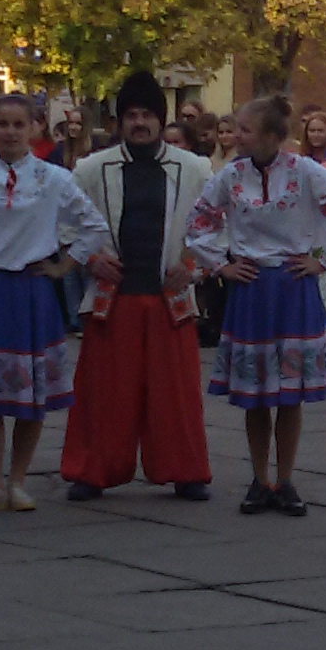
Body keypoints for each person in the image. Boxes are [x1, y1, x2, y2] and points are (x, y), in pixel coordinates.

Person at [185, 96, 326, 515]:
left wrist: (322, 261)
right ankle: (259, 478)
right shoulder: (230, 175)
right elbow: (198, 222)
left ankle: (284, 480)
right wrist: (221, 265)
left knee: (289, 394)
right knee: (255, 394)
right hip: (250, 288)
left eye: (245, 130)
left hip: (291, 286)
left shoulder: (307, 172)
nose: (237, 135)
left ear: (270, 135)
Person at [0, 93, 111, 515]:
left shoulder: (54, 178)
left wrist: (65, 265)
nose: (11, 132)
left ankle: (17, 481)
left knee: (31, 391)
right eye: (3, 124)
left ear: (35, 127)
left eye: (20, 124)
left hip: (32, 290)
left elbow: (93, 225)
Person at [62, 71, 215, 503]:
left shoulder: (196, 169)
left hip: (171, 297)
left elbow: (217, 226)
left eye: (147, 115)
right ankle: (92, 471)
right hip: (113, 299)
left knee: (176, 394)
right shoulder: (90, 169)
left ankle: (186, 471)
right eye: (131, 115)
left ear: (161, 120)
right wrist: (91, 258)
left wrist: (193, 266)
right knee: (105, 392)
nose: (140, 123)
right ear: (119, 121)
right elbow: (62, 222)